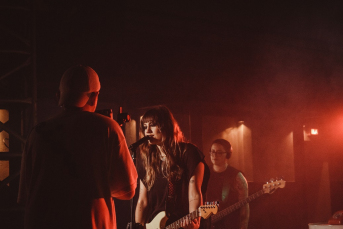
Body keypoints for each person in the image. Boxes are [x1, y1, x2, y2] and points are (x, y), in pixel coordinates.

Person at [17, 65, 138, 229]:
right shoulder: (107, 128)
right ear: (94, 97)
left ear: (59, 95)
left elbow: (25, 195)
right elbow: (128, 190)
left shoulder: (37, 133)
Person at [134, 105, 210, 229]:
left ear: (166, 125)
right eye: (144, 126)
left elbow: (194, 193)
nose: (147, 131)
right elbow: (142, 201)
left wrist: (194, 221)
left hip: (180, 224)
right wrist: (138, 226)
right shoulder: (146, 159)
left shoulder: (188, 153)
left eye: (152, 125)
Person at [206, 139, 249, 229]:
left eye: (219, 152)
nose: (215, 155)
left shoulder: (237, 176)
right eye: (212, 151)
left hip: (230, 225)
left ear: (228, 154)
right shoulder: (204, 174)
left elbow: (244, 209)